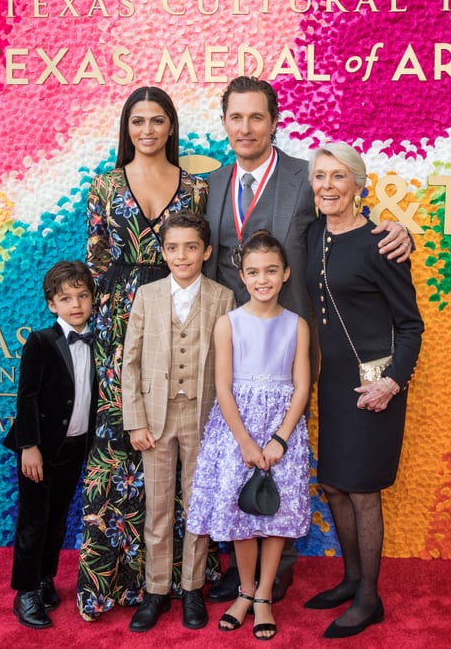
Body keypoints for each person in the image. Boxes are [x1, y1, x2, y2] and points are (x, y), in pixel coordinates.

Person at [203, 75, 414, 603]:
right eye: (236, 117)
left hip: (296, 352)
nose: (246, 127)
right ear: (225, 122)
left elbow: (354, 227)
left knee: (293, 454)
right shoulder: (210, 185)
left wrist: (400, 230)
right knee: (238, 453)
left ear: (275, 122)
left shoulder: (305, 178)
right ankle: (243, 565)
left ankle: (284, 571)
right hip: (234, 345)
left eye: (257, 117)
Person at [77, 86, 217, 620]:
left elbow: (207, 257)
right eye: (138, 121)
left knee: (186, 455)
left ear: (171, 126)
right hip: (118, 331)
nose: (148, 130)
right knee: (123, 447)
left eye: (158, 120)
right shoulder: (104, 185)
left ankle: (188, 584)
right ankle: (120, 581)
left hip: (181, 319)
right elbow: (94, 260)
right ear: (126, 127)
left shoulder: (197, 188)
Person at [303, 143, 424, 639]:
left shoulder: (381, 242)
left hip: (375, 380)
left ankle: (370, 596)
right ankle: (350, 579)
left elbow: (410, 325)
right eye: (320, 177)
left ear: (358, 183)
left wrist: (393, 381)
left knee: (362, 489)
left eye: (338, 177)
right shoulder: (312, 235)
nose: (327, 186)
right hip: (329, 380)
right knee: (333, 483)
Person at [187, 231, 312, 641]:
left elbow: (301, 388)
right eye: (254, 272)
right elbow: (223, 388)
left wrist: (279, 439)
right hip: (236, 430)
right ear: (242, 276)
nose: (263, 280)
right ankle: (242, 591)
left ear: (285, 273)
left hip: (281, 431)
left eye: (272, 271)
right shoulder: (229, 324)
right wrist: (244, 441)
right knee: (242, 514)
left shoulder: (298, 326)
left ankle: (263, 597)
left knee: (274, 516)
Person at [121, 211, 236, 632]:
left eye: (191, 247)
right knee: (157, 509)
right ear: (163, 251)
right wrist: (135, 421)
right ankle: (155, 591)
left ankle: (191, 589)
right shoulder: (147, 296)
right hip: (155, 419)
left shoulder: (223, 298)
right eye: (173, 248)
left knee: (197, 507)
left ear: (206, 252)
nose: (181, 255)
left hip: (202, 418)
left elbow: (231, 366)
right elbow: (129, 363)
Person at [3, 260, 98, 629]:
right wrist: (29, 446)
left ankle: (45, 579)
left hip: (74, 448)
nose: (76, 304)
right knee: (33, 523)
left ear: (92, 299)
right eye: (66, 298)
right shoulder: (41, 342)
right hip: (39, 451)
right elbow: (26, 397)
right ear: (51, 305)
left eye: (82, 296)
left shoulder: (98, 342)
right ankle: (24, 592)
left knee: (57, 521)